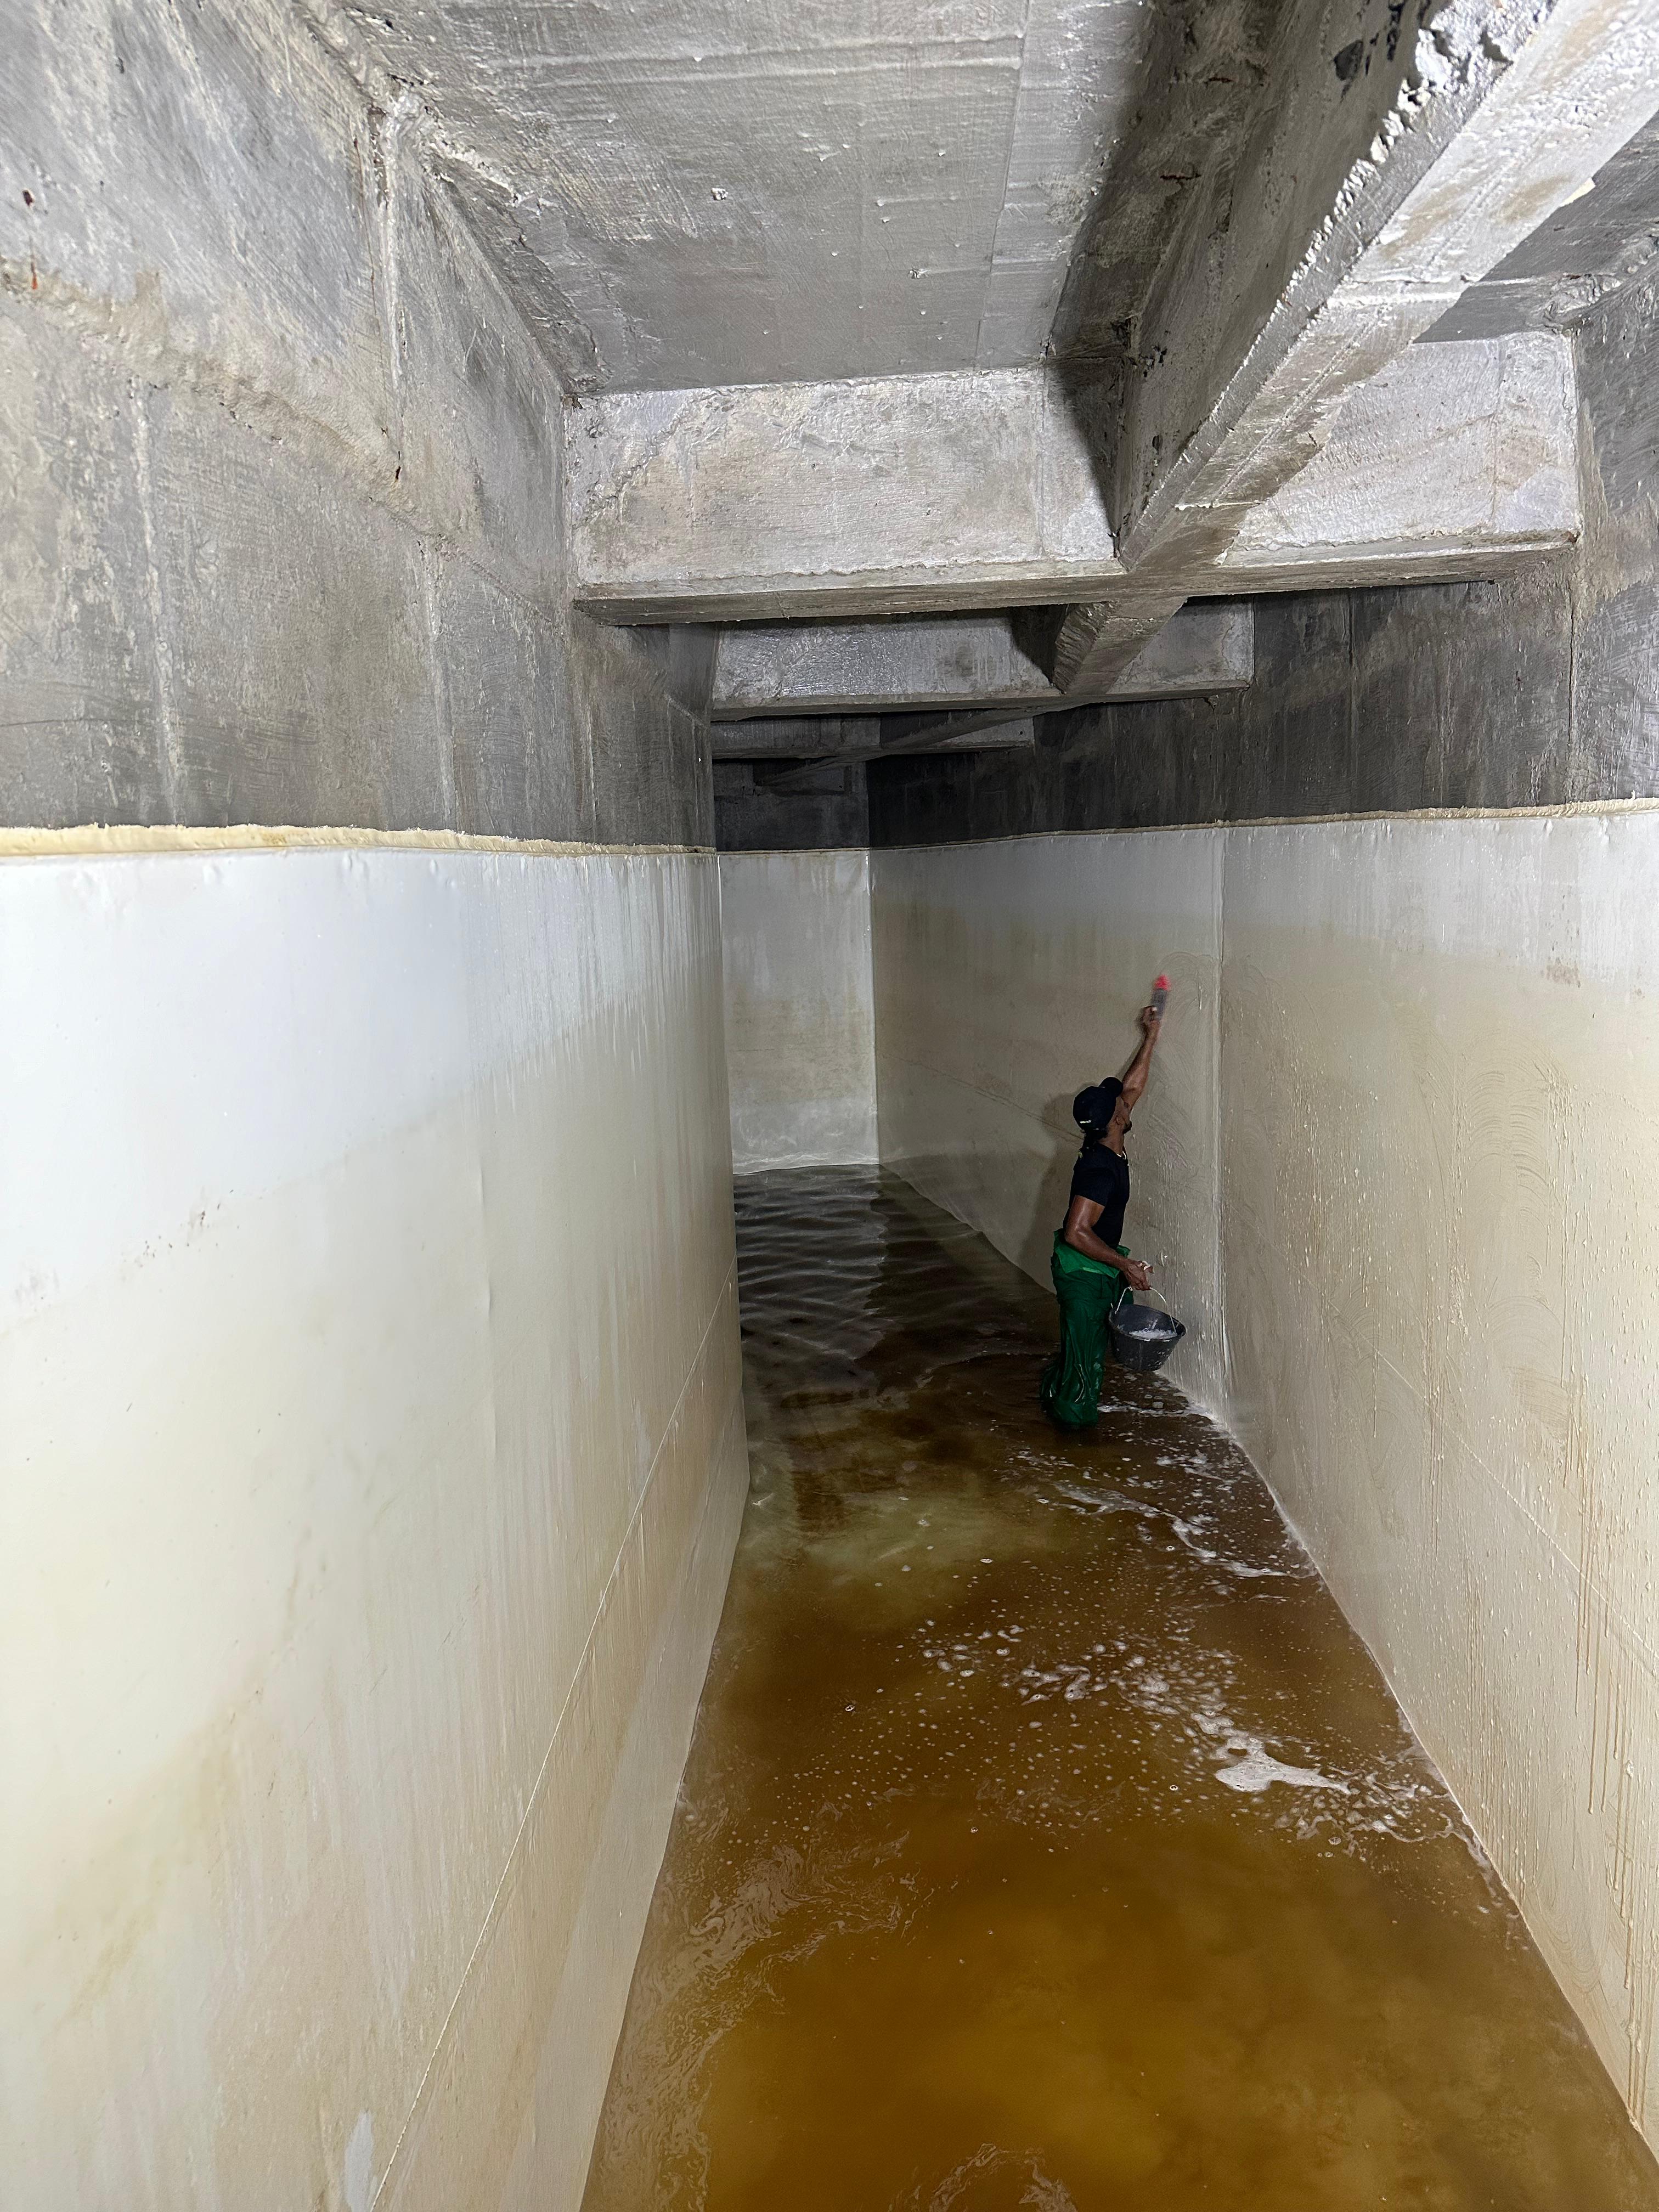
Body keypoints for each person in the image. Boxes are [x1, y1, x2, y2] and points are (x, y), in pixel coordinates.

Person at [1039, 1001, 1163, 1429]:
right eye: (1120, 1104)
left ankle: (1050, 1401)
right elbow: (1077, 1232)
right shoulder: (1099, 1170)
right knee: (1084, 1372)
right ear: (1116, 1119)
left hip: (1091, 1270)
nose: (1128, 1102)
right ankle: (1074, 1455)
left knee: (1082, 1351)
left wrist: (1151, 1036)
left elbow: (1132, 1088)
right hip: (1084, 1274)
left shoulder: (1105, 1138)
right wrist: (1125, 1264)